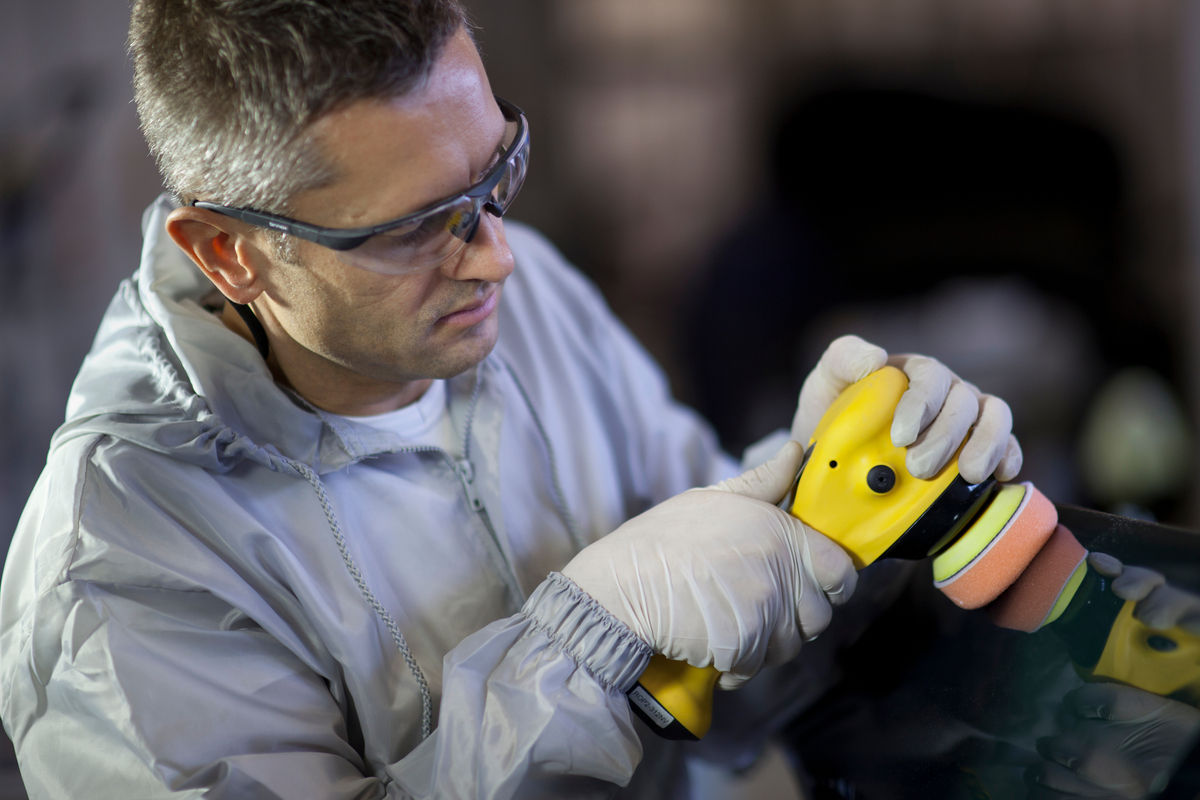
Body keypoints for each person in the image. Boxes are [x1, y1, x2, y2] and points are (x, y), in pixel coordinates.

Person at [0, 2, 1023, 797]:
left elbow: (725, 686)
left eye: (498, 170)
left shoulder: (518, 302)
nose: (495, 254)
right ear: (229, 253)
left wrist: (834, 508)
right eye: (413, 228)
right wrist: (586, 646)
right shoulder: (119, 566)